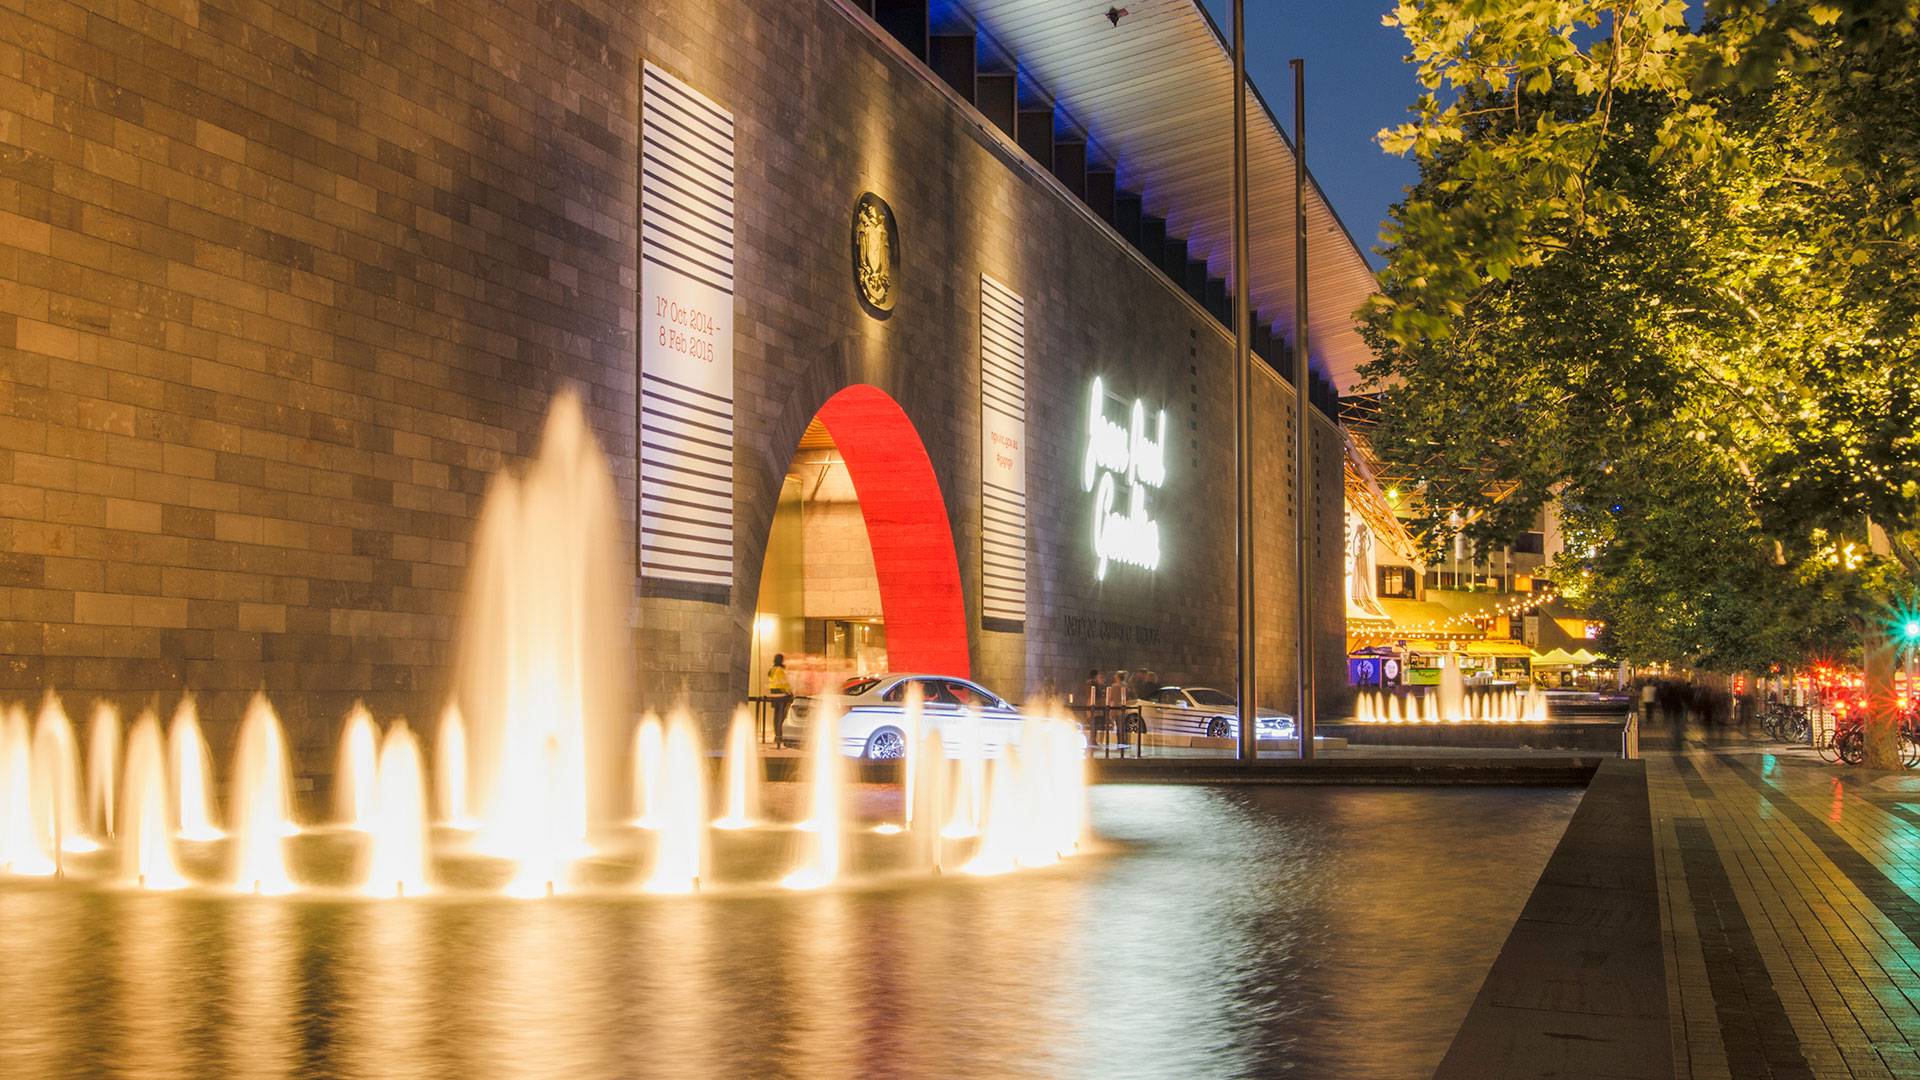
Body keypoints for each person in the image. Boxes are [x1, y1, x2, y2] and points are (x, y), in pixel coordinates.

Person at [767, 653, 794, 748]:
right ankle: (779, 736)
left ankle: (777, 735)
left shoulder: (772, 670)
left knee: (776, 716)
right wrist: (790, 692)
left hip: (774, 695)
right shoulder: (780, 670)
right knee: (781, 717)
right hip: (782, 695)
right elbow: (784, 683)